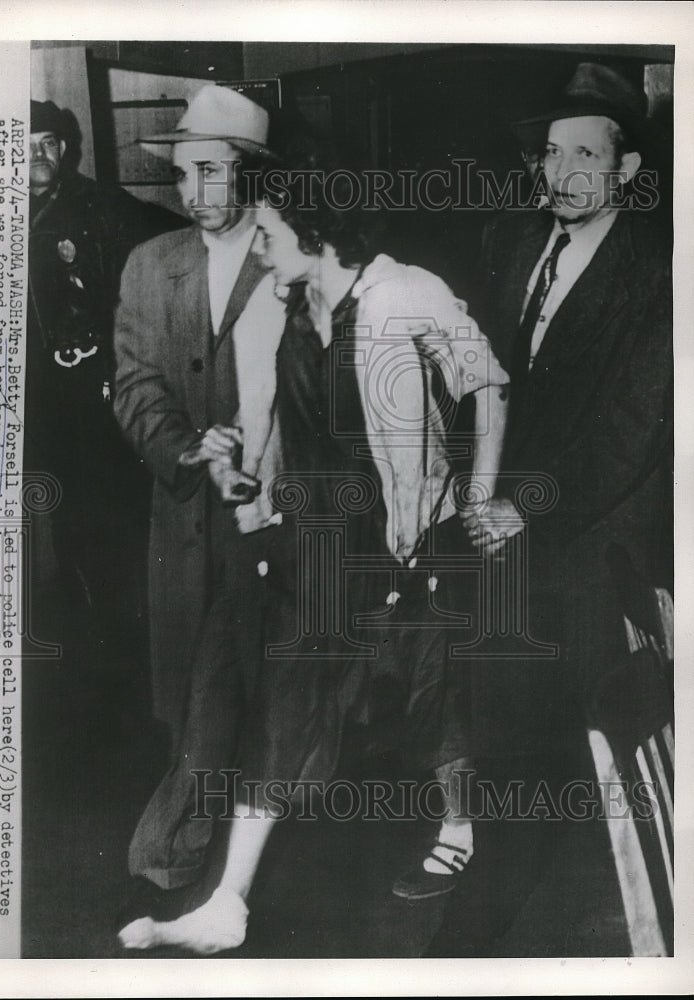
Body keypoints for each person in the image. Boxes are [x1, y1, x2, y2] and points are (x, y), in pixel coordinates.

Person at [118, 154, 510, 955]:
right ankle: (229, 904)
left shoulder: (402, 293)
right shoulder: (290, 302)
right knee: (285, 698)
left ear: (316, 233)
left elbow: (490, 382)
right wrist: (238, 466)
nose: (258, 244)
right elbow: (269, 411)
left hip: (407, 534)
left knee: (431, 695)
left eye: (269, 231)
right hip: (323, 535)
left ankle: (461, 827)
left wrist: (478, 497)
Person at [425, 63, 673, 956]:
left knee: (597, 744)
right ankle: (491, 892)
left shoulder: (657, 270)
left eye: (584, 155)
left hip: (587, 541)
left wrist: (526, 506)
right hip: (498, 533)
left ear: (627, 171)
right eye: (550, 154)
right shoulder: (513, 242)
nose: (559, 172)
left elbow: (636, 424)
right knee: (506, 724)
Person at [111, 86, 287, 922]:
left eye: (212, 171)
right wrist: (186, 448)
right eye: (184, 173)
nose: (193, 191)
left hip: (275, 511)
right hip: (185, 513)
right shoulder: (151, 264)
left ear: (252, 174)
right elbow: (136, 383)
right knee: (192, 680)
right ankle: (197, 831)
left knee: (270, 678)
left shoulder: (292, 256)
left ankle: (196, 841)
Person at [25, 99, 181, 657]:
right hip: (38, 395)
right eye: (26, 146)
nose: (39, 156)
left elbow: (172, 235)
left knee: (112, 505)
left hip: (96, 386)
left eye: (49, 143)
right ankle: (84, 630)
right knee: (61, 508)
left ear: (65, 148)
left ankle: (126, 632)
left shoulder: (98, 204)